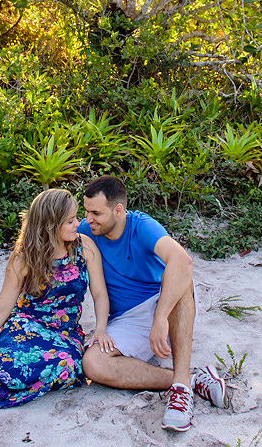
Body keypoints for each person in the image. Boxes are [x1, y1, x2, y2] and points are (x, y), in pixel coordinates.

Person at [0, 188, 113, 417]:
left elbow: (99, 294)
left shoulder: (85, 247)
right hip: (25, 326)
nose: (77, 224)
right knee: (1, 377)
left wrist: (100, 329)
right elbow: (1, 309)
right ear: (50, 225)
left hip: (64, 332)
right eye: (70, 221)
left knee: (69, 368)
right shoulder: (23, 258)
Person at [77, 175, 227, 431]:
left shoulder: (141, 226)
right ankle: (190, 380)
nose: (88, 219)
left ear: (118, 210)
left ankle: (180, 392)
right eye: (86, 211)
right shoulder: (86, 231)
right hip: (126, 320)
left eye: (96, 213)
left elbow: (183, 261)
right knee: (93, 363)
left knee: (183, 278)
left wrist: (160, 317)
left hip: (166, 309)